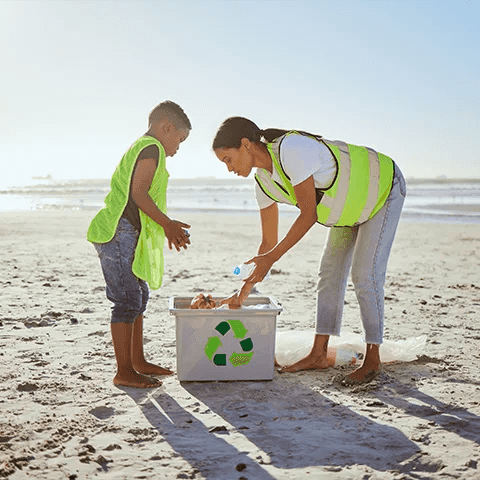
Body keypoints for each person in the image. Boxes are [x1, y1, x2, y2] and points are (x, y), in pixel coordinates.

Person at [213, 117, 406, 385]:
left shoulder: (291, 149)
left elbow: (308, 214)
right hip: (348, 209)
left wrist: (271, 258)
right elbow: (267, 244)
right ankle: (318, 353)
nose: (229, 168)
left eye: (228, 159)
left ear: (245, 145)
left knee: (364, 274)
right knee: (328, 274)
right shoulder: (263, 183)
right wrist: (241, 293)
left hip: (381, 188)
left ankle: (372, 360)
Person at [87, 101, 192, 388]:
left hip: (127, 232)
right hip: (116, 232)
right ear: (166, 127)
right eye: (180, 140)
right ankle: (124, 370)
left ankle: (137, 361)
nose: (178, 147)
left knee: (139, 295)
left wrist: (168, 226)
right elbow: (139, 195)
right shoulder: (152, 148)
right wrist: (168, 224)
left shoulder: (146, 147)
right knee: (126, 300)